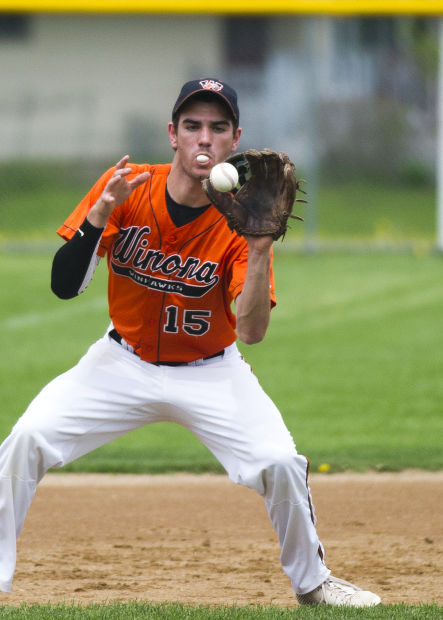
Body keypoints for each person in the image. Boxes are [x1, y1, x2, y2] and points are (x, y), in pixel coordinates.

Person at [0, 78, 381, 607]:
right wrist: (98, 215)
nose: (204, 138)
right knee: (26, 437)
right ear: (173, 135)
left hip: (211, 371)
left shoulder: (243, 222)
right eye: (193, 126)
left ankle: (313, 584)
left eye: (217, 128)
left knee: (279, 462)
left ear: (235, 139)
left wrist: (261, 247)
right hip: (119, 362)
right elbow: (64, 286)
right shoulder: (128, 188)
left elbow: (251, 331)